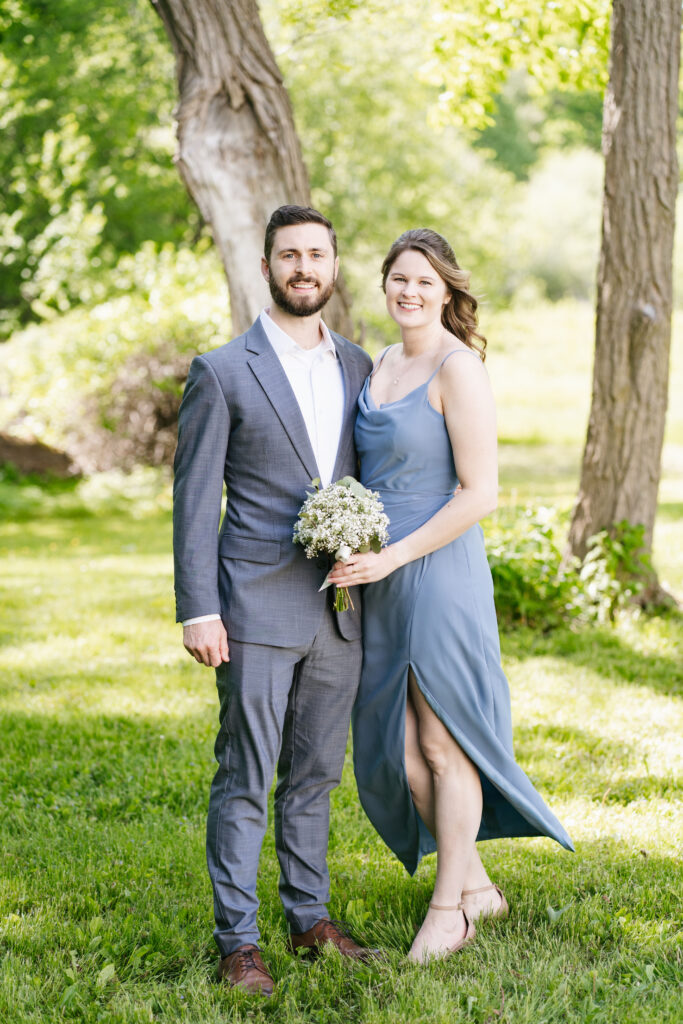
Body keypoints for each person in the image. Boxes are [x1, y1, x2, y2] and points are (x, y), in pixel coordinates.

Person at [328, 228, 573, 962]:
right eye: (397, 278)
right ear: (383, 285)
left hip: (435, 568)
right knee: (399, 749)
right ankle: (479, 885)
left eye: (424, 281)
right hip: (381, 575)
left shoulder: (456, 367)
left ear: (446, 291)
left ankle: (450, 911)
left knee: (441, 742)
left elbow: (481, 493)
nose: (408, 291)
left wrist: (395, 553)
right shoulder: (379, 364)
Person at [173, 205, 374, 995]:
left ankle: (308, 917)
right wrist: (199, 607)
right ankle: (239, 941)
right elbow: (194, 500)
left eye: (316, 255)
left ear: (332, 267)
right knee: (246, 774)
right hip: (253, 608)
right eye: (288, 255)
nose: (303, 267)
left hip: (339, 612)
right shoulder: (221, 370)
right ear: (266, 268)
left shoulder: (359, 367)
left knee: (317, 777)